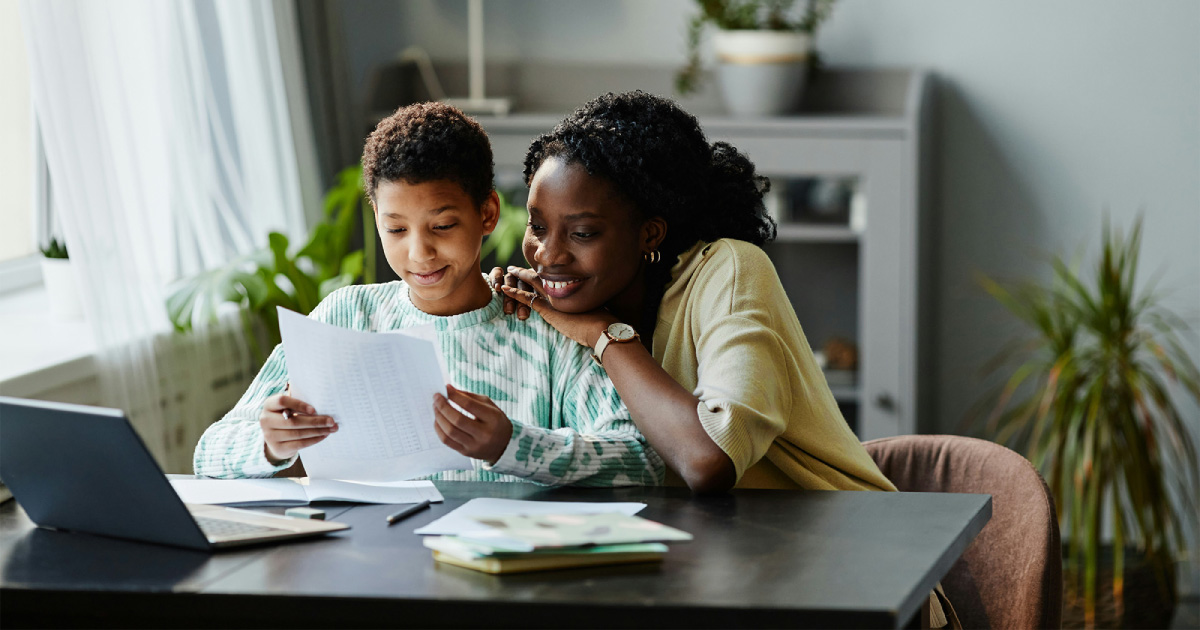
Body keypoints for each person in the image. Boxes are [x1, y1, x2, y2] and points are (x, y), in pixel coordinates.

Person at [193, 102, 663, 488]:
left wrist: (512, 445)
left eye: (442, 226)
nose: (419, 253)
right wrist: (269, 443)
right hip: (368, 558)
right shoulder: (346, 316)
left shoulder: (544, 325)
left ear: (487, 213)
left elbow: (641, 460)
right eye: (396, 229)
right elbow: (208, 453)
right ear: (377, 217)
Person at [494, 91, 895, 496]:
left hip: (839, 525)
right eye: (537, 227)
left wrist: (605, 335)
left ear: (649, 233)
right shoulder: (578, 301)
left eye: (582, 233)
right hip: (699, 532)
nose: (547, 254)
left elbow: (708, 460)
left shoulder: (730, 270)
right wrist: (492, 311)